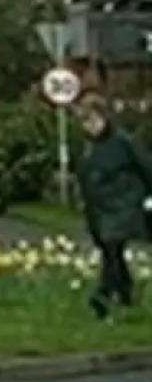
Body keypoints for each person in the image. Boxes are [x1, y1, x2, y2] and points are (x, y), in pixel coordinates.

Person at [74, 93, 152, 318]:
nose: (90, 126)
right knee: (111, 253)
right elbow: (85, 179)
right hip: (100, 208)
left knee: (112, 247)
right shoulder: (88, 148)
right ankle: (124, 293)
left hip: (124, 204)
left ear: (103, 117)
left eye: (93, 120)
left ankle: (103, 295)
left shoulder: (123, 142)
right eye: (85, 121)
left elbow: (146, 166)